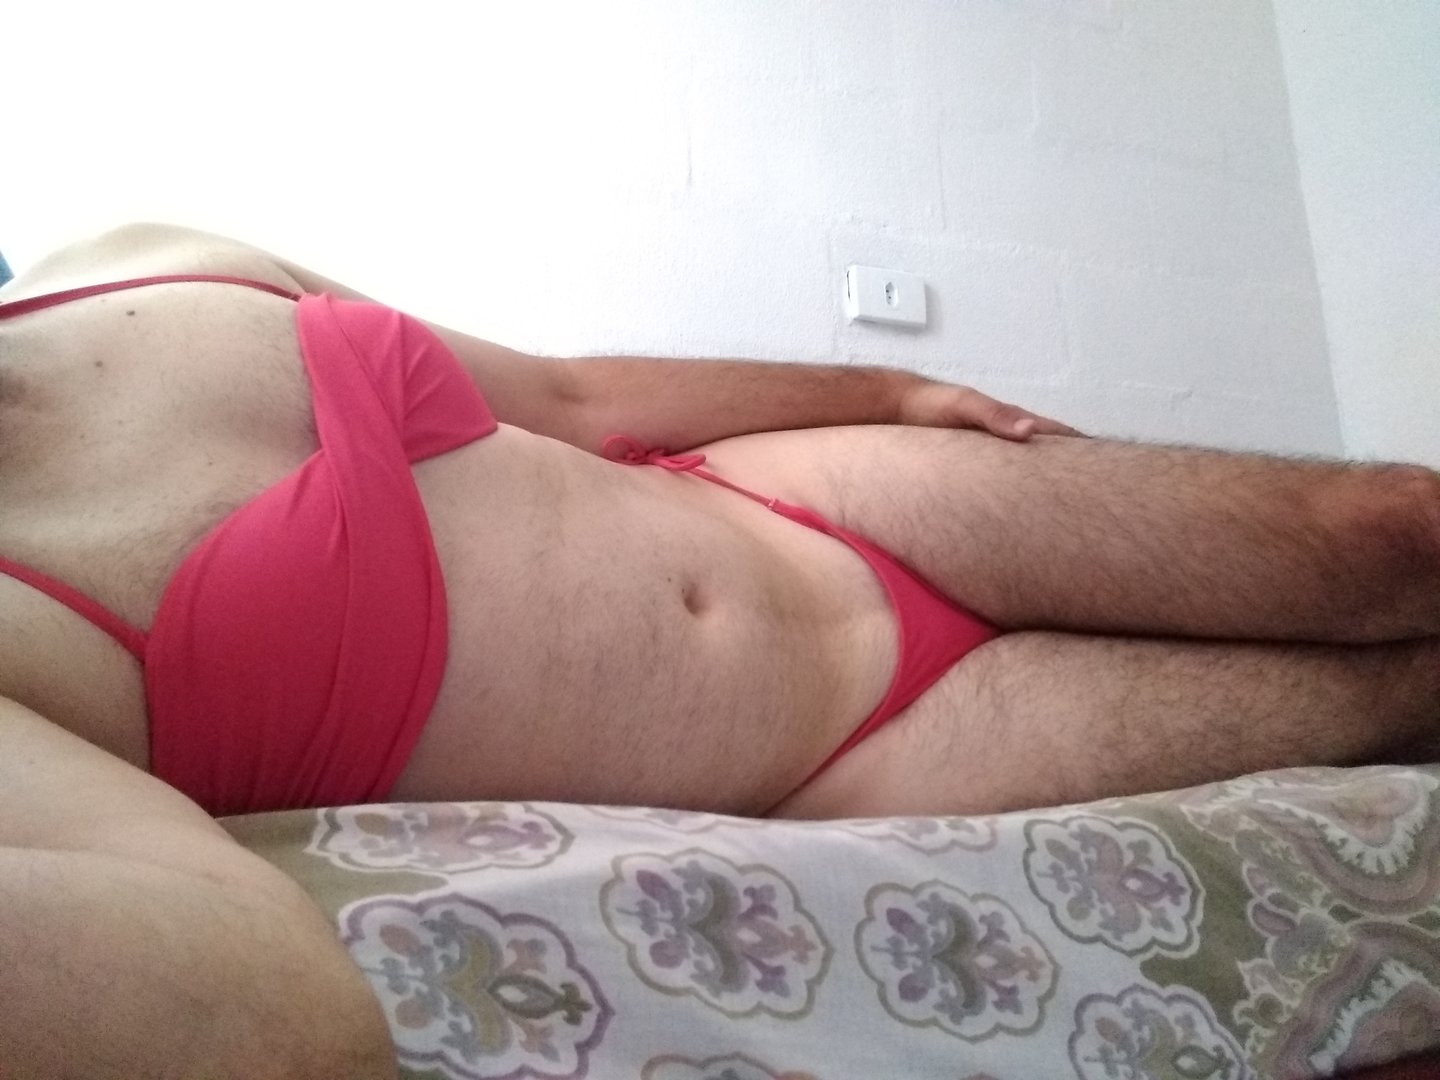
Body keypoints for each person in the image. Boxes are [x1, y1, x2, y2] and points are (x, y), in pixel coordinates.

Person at [1, 223, 1436, 1077]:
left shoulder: (141, 262)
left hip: (797, 493)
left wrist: (890, 390)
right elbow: (271, 1011)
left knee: (1392, 530)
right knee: (1395, 697)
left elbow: (568, 395)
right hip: (850, 752)